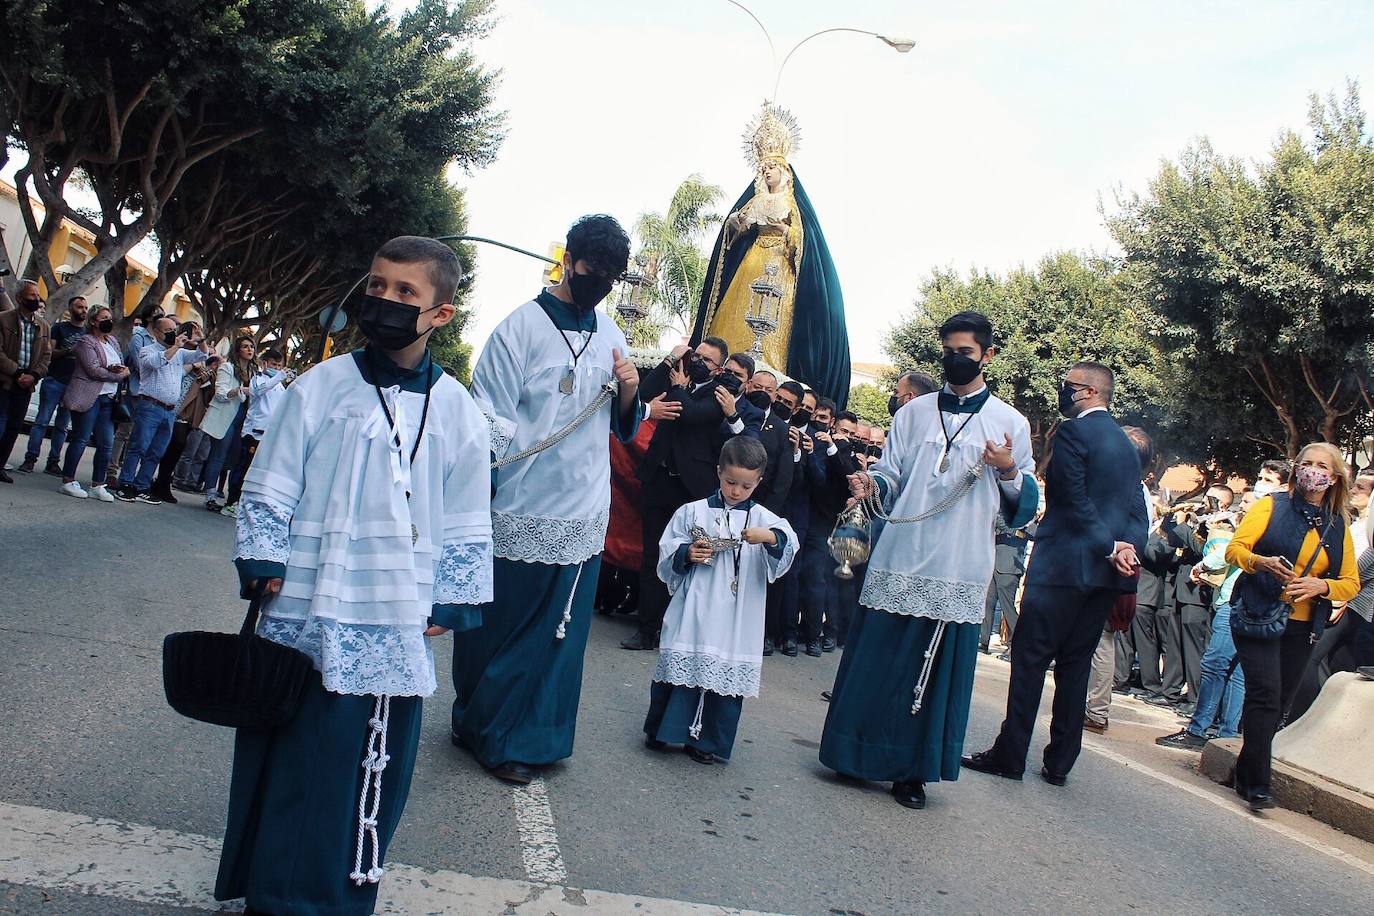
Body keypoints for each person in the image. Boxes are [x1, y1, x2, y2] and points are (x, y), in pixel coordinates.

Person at [214, 235, 493, 916]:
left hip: (391, 610)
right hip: (304, 599)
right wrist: (263, 557)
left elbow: (464, 512)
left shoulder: (458, 410)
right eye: (377, 286)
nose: (386, 301)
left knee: (358, 765)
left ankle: (332, 899)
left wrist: (452, 598)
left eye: (406, 293)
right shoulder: (320, 387)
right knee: (288, 752)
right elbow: (271, 481)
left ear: (441, 315)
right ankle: (272, 893)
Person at [821, 311, 1038, 810]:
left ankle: (910, 773)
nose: (955, 360)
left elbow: (1022, 506)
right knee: (877, 663)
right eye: (949, 350)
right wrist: (872, 484)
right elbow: (893, 475)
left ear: (988, 356)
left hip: (958, 563)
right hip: (900, 555)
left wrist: (1006, 470)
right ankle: (854, 756)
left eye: (966, 352)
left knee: (930, 675)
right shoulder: (912, 414)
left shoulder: (1010, 423)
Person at [452, 214, 640, 785]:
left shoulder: (611, 334)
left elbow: (622, 425)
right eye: (592, 269)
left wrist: (630, 391)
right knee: (500, 629)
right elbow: (486, 414)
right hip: (520, 502)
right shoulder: (518, 329)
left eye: (612, 275)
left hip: (582, 509)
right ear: (568, 261)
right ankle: (481, 725)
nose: (600, 281)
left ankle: (533, 737)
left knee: (558, 635)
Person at [964, 361, 1146, 787]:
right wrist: (1126, 548)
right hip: (1104, 574)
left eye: (1068, 386)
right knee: (1075, 666)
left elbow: (1071, 499)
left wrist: (1107, 546)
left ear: (1088, 392)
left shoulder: (1074, 433)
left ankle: (1010, 754)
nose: (1063, 393)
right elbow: (1137, 508)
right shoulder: (1124, 442)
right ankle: (1060, 761)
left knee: (1029, 660)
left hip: (1064, 566)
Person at [1223, 442, 1359, 811]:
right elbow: (1234, 550)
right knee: (1265, 695)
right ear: (1297, 469)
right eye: (1307, 463)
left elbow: (1350, 581)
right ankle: (1259, 785)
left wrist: (1321, 586)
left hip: (1304, 625)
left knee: (1277, 702)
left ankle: (1243, 770)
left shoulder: (1337, 525)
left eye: (1322, 466)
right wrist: (1260, 562)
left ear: (1333, 479)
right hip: (1258, 613)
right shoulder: (1271, 506)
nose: (1313, 471)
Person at [644, 437, 796, 763]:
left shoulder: (764, 518)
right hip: (696, 601)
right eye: (730, 482)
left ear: (759, 482)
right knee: (683, 658)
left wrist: (769, 537)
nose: (736, 491)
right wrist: (688, 552)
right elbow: (668, 549)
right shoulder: (693, 511)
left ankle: (706, 741)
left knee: (725, 673)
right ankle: (663, 729)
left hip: (738, 612)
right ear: (718, 472)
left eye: (746, 485)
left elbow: (788, 544)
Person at [693, 102, 850, 405]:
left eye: (772, 167)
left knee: (774, 329)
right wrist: (736, 225)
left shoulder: (794, 205)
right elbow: (734, 233)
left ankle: (769, 379)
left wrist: (786, 231)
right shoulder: (754, 200)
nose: (767, 172)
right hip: (750, 267)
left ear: (785, 171)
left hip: (780, 271)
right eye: (763, 168)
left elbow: (806, 242)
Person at [623, 336, 741, 651]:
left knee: (684, 558)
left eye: (706, 360)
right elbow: (644, 394)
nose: (697, 361)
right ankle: (646, 629)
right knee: (652, 555)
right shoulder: (677, 374)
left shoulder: (719, 394)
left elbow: (688, 413)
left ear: (718, 369)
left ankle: (676, 630)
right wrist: (669, 361)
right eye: (695, 355)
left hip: (690, 489)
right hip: (658, 480)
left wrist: (678, 386)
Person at [1156, 495, 1253, 750]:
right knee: (1235, 672)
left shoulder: (1259, 521)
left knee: (1215, 664)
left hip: (1235, 602)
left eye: (1265, 479)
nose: (1242, 505)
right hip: (1250, 603)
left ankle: (1198, 730)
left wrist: (1202, 565)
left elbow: (1227, 552)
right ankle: (1226, 735)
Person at [115, 317, 209, 502]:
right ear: (157, 333)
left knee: (156, 451)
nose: (173, 333)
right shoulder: (147, 351)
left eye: (174, 329)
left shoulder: (181, 354)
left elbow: (202, 356)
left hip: (169, 410)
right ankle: (125, 483)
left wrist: (201, 339)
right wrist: (175, 346)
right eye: (168, 331)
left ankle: (142, 485)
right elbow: (156, 363)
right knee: (139, 446)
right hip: (150, 406)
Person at [57, 306, 129, 501]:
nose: (109, 321)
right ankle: (67, 480)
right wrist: (117, 375)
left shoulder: (112, 341)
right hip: (89, 396)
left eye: (110, 318)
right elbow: (93, 370)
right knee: (81, 438)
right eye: (104, 318)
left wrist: (119, 371)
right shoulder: (85, 341)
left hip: (108, 399)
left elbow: (120, 364)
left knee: (107, 443)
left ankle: (98, 484)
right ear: (93, 321)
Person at [18, 294, 86, 475]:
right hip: (55, 380)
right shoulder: (59, 328)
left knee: (62, 426)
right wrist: (69, 350)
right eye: (79, 307)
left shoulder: (86, 333)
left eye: (85, 308)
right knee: (42, 421)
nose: (83, 311)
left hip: (73, 385)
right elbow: (50, 352)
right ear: (70, 309)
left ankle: (53, 462)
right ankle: (30, 458)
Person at [222, 347, 294, 518]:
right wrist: (278, 377)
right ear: (264, 364)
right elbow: (257, 391)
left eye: (279, 366)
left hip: (269, 435)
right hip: (253, 432)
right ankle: (232, 501)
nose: (277, 368)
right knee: (242, 468)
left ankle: (245, 503)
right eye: (274, 364)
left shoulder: (279, 386)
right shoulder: (258, 379)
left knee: (256, 472)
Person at [0, 281, 53, 483]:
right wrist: (17, 372)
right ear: (19, 298)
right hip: (5, 382)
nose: (36, 299)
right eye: (31, 296)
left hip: (26, 386)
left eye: (37, 295)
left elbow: (46, 356)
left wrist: (34, 375)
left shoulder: (43, 326)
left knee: (13, 427)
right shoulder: (4, 319)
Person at [151, 355, 221, 503]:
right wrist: (192, 366)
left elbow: (209, 396)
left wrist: (207, 380)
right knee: (174, 445)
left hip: (188, 414)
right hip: (173, 409)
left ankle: (162, 483)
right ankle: (156, 482)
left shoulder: (206, 375)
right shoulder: (182, 364)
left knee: (176, 448)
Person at [202, 336, 255, 512]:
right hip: (226, 416)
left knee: (233, 457)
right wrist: (240, 390)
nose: (249, 350)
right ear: (238, 350)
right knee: (218, 455)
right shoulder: (228, 368)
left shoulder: (255, 372)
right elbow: (220, 394)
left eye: (252, 347)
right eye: (245, 347)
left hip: (243, 419)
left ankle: (227, 495)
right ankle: (210, 494)